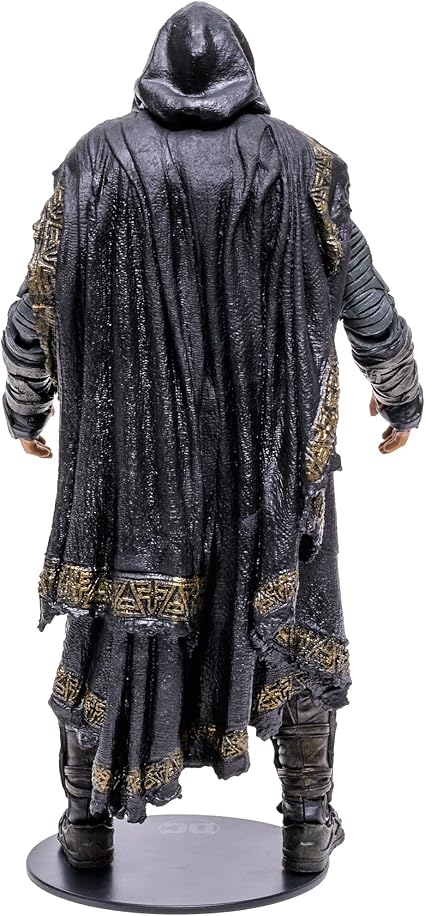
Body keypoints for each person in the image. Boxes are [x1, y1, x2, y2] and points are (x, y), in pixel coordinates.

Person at [1, 1, 422, 873]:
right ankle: (307, 821)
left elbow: (34, 307)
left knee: (113, 629)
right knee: (294, 621)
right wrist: (401, 394)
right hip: (269, 462)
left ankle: (84, 824)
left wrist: (25, 406)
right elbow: (365, 300)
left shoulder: (96, 160)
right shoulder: (303, 162)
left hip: (136, 471)